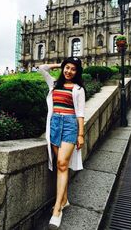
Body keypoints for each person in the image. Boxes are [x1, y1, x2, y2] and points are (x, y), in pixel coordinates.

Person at [39, 57, 85, 229]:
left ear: (77, 72)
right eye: (67, 68)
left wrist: (81, 134)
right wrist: (61, 63)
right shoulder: (54, 83)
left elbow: (80, 113)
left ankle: (57, 209)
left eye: (73, 69)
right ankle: (64, 200)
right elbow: (42, 68)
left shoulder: (79, 89)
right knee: (61, 166)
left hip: (70, 125)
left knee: (62, 163)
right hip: (55, 125)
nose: (69, 71)